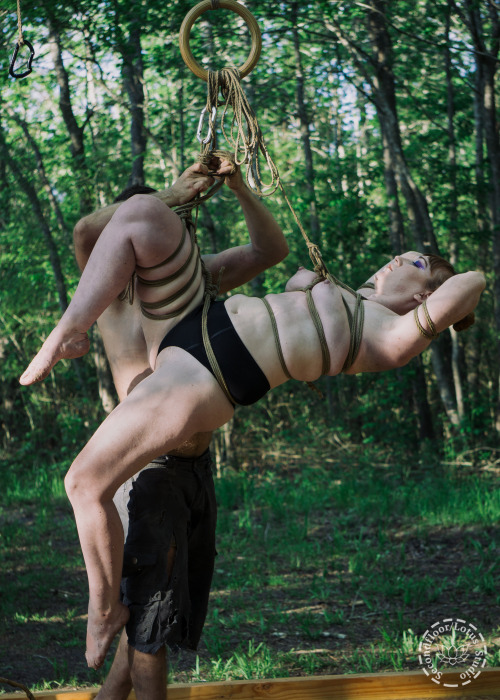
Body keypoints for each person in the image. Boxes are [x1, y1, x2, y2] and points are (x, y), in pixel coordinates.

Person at [19, 176, 486, 670]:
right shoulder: (346, 295)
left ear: (424, 299)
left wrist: (441, 305)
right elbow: (89, 231)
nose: (398, 259)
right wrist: (211, 188)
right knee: (141, 213)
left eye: (414, 262)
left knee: (82, 482)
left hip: (205, 378)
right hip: (191, 328)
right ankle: (69, 330)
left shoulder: (390, 334)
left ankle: (103, 609)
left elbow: (471, 280)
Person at [71, 159, 289, 698]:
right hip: (148, 473)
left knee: (150, 620)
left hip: (195, 468)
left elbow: (271, 252)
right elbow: (84, 232)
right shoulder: (112, 295)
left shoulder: (201, 277)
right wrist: (169, 194)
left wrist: (236, 187)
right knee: (150, 625)